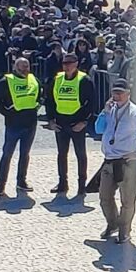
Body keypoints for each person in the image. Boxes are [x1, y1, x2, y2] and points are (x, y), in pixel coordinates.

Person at [94, 77, 136, 243]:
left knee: (127, 201)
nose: (117, 95)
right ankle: (112, 224)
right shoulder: (111, 109)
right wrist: (104, 112)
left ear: (128, 94)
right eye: (115, 92)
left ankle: (124, 230)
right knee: (104, 198)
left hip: (126, 163)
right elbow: (98, 129)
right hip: (109, 161)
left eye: (120, 93)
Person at [45, 52, 95, 195]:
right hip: (60, 123)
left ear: (76, 64)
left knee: (80, 154)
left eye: (69, 63)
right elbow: (49, 100)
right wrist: (50, 120)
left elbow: (91, 103)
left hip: (77, 123)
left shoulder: (84, 80)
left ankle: (81, 185)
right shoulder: (57, 79)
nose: (66, 66)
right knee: (61, 154)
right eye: (64, 64)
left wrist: (84, 122)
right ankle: (62, 183)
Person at [0, 57, 40, 197]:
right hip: (13, 124)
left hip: (30, 124)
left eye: (27, 66)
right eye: (22, 67)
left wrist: (36, 108)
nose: (25, 70)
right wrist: (7, 112)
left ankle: (21, 181)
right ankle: (1, 186)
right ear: (15, 67)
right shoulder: (5, 81)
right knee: (7, 154)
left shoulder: (34, 80)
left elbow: (39, 96)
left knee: (25, 154)